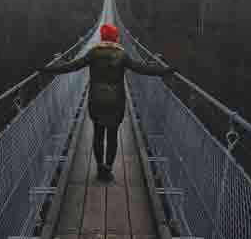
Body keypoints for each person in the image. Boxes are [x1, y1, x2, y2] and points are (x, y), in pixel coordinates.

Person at [40, 23, 175, 180]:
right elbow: (142, 69)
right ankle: (108, 169)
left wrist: (49, 69)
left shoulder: (93, 53)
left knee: (98, 135)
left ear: (103, 37)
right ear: (115, 37)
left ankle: (99, 168)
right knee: (112, 137)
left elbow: (72, 67)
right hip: (116, 103)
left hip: (96, 101)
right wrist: (165, 71)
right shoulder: (122, 55)